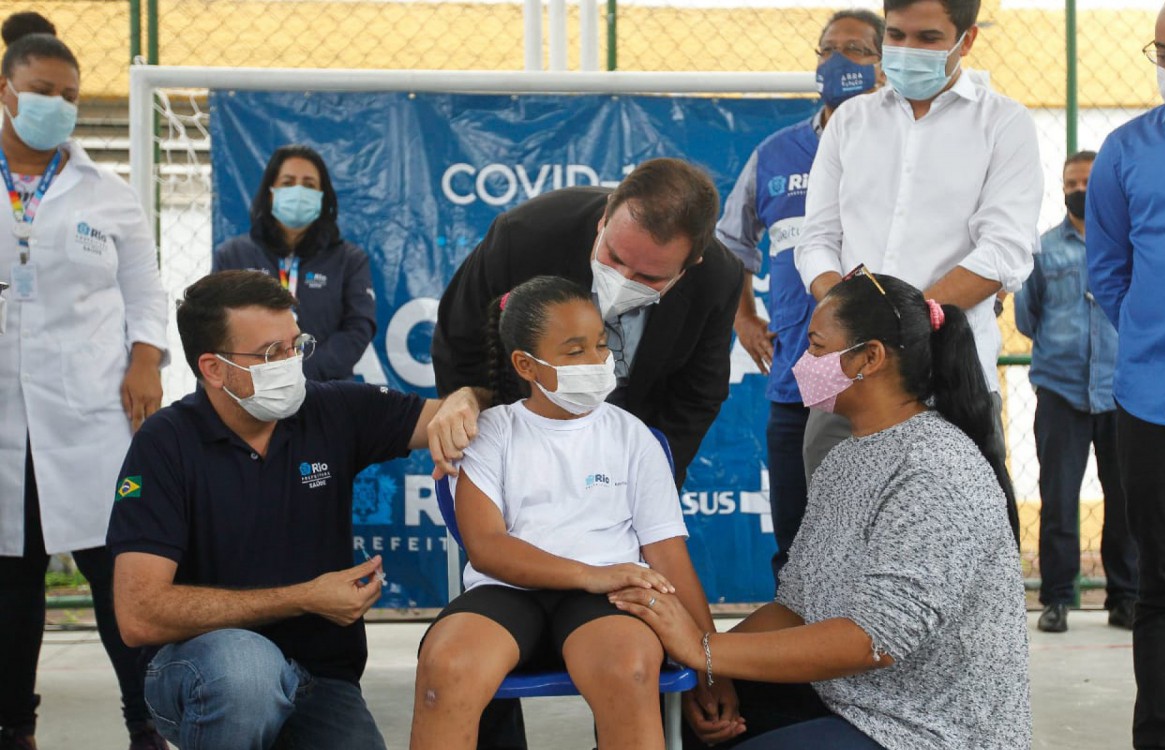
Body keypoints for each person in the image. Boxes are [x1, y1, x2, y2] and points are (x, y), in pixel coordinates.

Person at [611, 270, 1031, 750]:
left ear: (869, 358)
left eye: (816, 346)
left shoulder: (935, 467)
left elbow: (874, 639)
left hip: (924, 729)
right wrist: (706, 671)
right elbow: (795, 606)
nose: (801, 362)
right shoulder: (848, 456)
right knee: (671, 717)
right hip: (850, 700)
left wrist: (706, 649)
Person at [106, 270, 486, 750]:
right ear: (214, 368)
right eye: (270, 354)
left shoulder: (330, 409)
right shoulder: (166, 443)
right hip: (201, 669)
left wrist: (465, 399)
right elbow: (138, 613)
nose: (291, 363)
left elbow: (453, 413)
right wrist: (305, 597)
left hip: (320, 678)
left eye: (295, 345)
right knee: (246, 672)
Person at [411, 276, 741, 749]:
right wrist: (591, 574)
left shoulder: (633, 436)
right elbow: (487, 550)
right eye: (574, 351)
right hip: (508, 591)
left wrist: (712, 663)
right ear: (526, 364)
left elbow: (668, 558)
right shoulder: (491, 433)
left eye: (601, 346)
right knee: (448, 668)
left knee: (628, 669)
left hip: (608, 600)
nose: (597, 361)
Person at [794, 0, 1042, 542]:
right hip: (846, 369)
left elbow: (1004, 250)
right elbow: (816, 240)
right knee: (836, 547)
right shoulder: (851, 123)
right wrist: (854, 322)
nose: (908, 50)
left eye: (929, 37)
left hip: (948, 372)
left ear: (967, 39)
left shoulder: (1005, 123)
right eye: (898, 35)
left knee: (958, 550)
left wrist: (901, 329)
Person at [0, 23, 170, 750]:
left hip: (95, 413)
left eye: (68, 97)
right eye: (42, 92)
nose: (58, 107)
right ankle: (14, 728)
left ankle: (147, 722)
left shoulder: (109, 193)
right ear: (4, 90)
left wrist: (145, 362)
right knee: (12, 583)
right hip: (8, 418)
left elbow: (147, 294)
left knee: (119, 575)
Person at [432, 157, 742, 489]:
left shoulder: (717, 279)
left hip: (627, 457)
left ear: (690, 264)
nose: (622, 280)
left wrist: (646, 480)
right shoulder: (525, 236)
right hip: (512, 447)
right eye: (614, 257)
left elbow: (696, 396)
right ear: (605, 217)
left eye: (648, 277)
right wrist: (493, 448)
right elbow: (460, 342)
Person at [716, 8, 883, 581]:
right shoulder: (775, 154)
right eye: (828, 49)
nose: (839, 61)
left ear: (885, 66)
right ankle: (800, 662)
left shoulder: (901, 149)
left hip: (880, 380)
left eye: (857, 50)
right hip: (798, 378)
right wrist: (743, 316)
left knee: (875, 543)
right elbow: (732, 241)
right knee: (798, 546)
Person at [1086, 2, 1165, 745]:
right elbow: (1110, 270)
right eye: (1164, 53)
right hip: (1158, 407)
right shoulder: (1125, 151)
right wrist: (1163, 341)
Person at [1014, 150, 1137, 635]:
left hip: (1120, 390)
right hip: (1060, 391)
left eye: (1087, 182)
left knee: (1124, 500)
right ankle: (1057, 598)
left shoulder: (1128, 244)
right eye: (1071, 183)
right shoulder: (1043, 250)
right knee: (1058, 500)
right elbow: (1027, 317)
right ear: (1061, 189)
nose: (1079, 191)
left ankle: (1125, 597)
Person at [214, 144, 375, 381]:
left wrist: (301, 372)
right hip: (249, 388)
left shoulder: (350, 260)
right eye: (288, 183)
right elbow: (215, 327)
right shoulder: (233, 255)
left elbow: (358, 330)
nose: (298, 192)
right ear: (271, 193)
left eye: (309, 185)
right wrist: (257, 373)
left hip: (323, 392)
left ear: (322, 197)